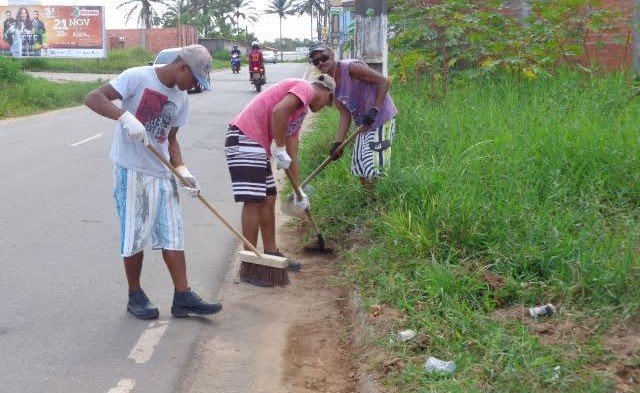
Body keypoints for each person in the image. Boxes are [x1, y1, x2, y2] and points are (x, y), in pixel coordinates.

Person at [84, 44, 222, 320]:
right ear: (182, 67)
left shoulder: (181, 99)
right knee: (134, 235)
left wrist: (183, 170)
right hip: (132, 169)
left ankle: (183, 296)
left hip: (163, 172)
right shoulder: (137, 76)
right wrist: (123, 116)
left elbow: (171, 139)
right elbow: (93, 97)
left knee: (173, 233)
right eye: (194, 80)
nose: (193, 86)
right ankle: (135, 295)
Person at [224, 74, 336, 286]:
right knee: (254, 200)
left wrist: (298, 190)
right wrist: (280, 148)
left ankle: (271, 253)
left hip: (257, 145)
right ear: (326, 92)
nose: (324, 107)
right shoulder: (305, 88)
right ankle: (251, 263)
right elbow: (278, 111)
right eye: (328, 102)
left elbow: (292, 147)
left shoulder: (301, 110)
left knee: (269, 198)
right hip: (244, 138)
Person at [308, 42, 398, 192]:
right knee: (359, 165)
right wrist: (338, 143)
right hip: (363, 124)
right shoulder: (331, 83)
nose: (321, 62)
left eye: (323, 58)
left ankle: (378, 204)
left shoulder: (350, 68)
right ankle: (368, 199)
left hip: (381, 118)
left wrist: (374, 109)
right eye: (316, 61)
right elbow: (344, 114)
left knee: (374, 164)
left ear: (332, 55)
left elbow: (383, 81)